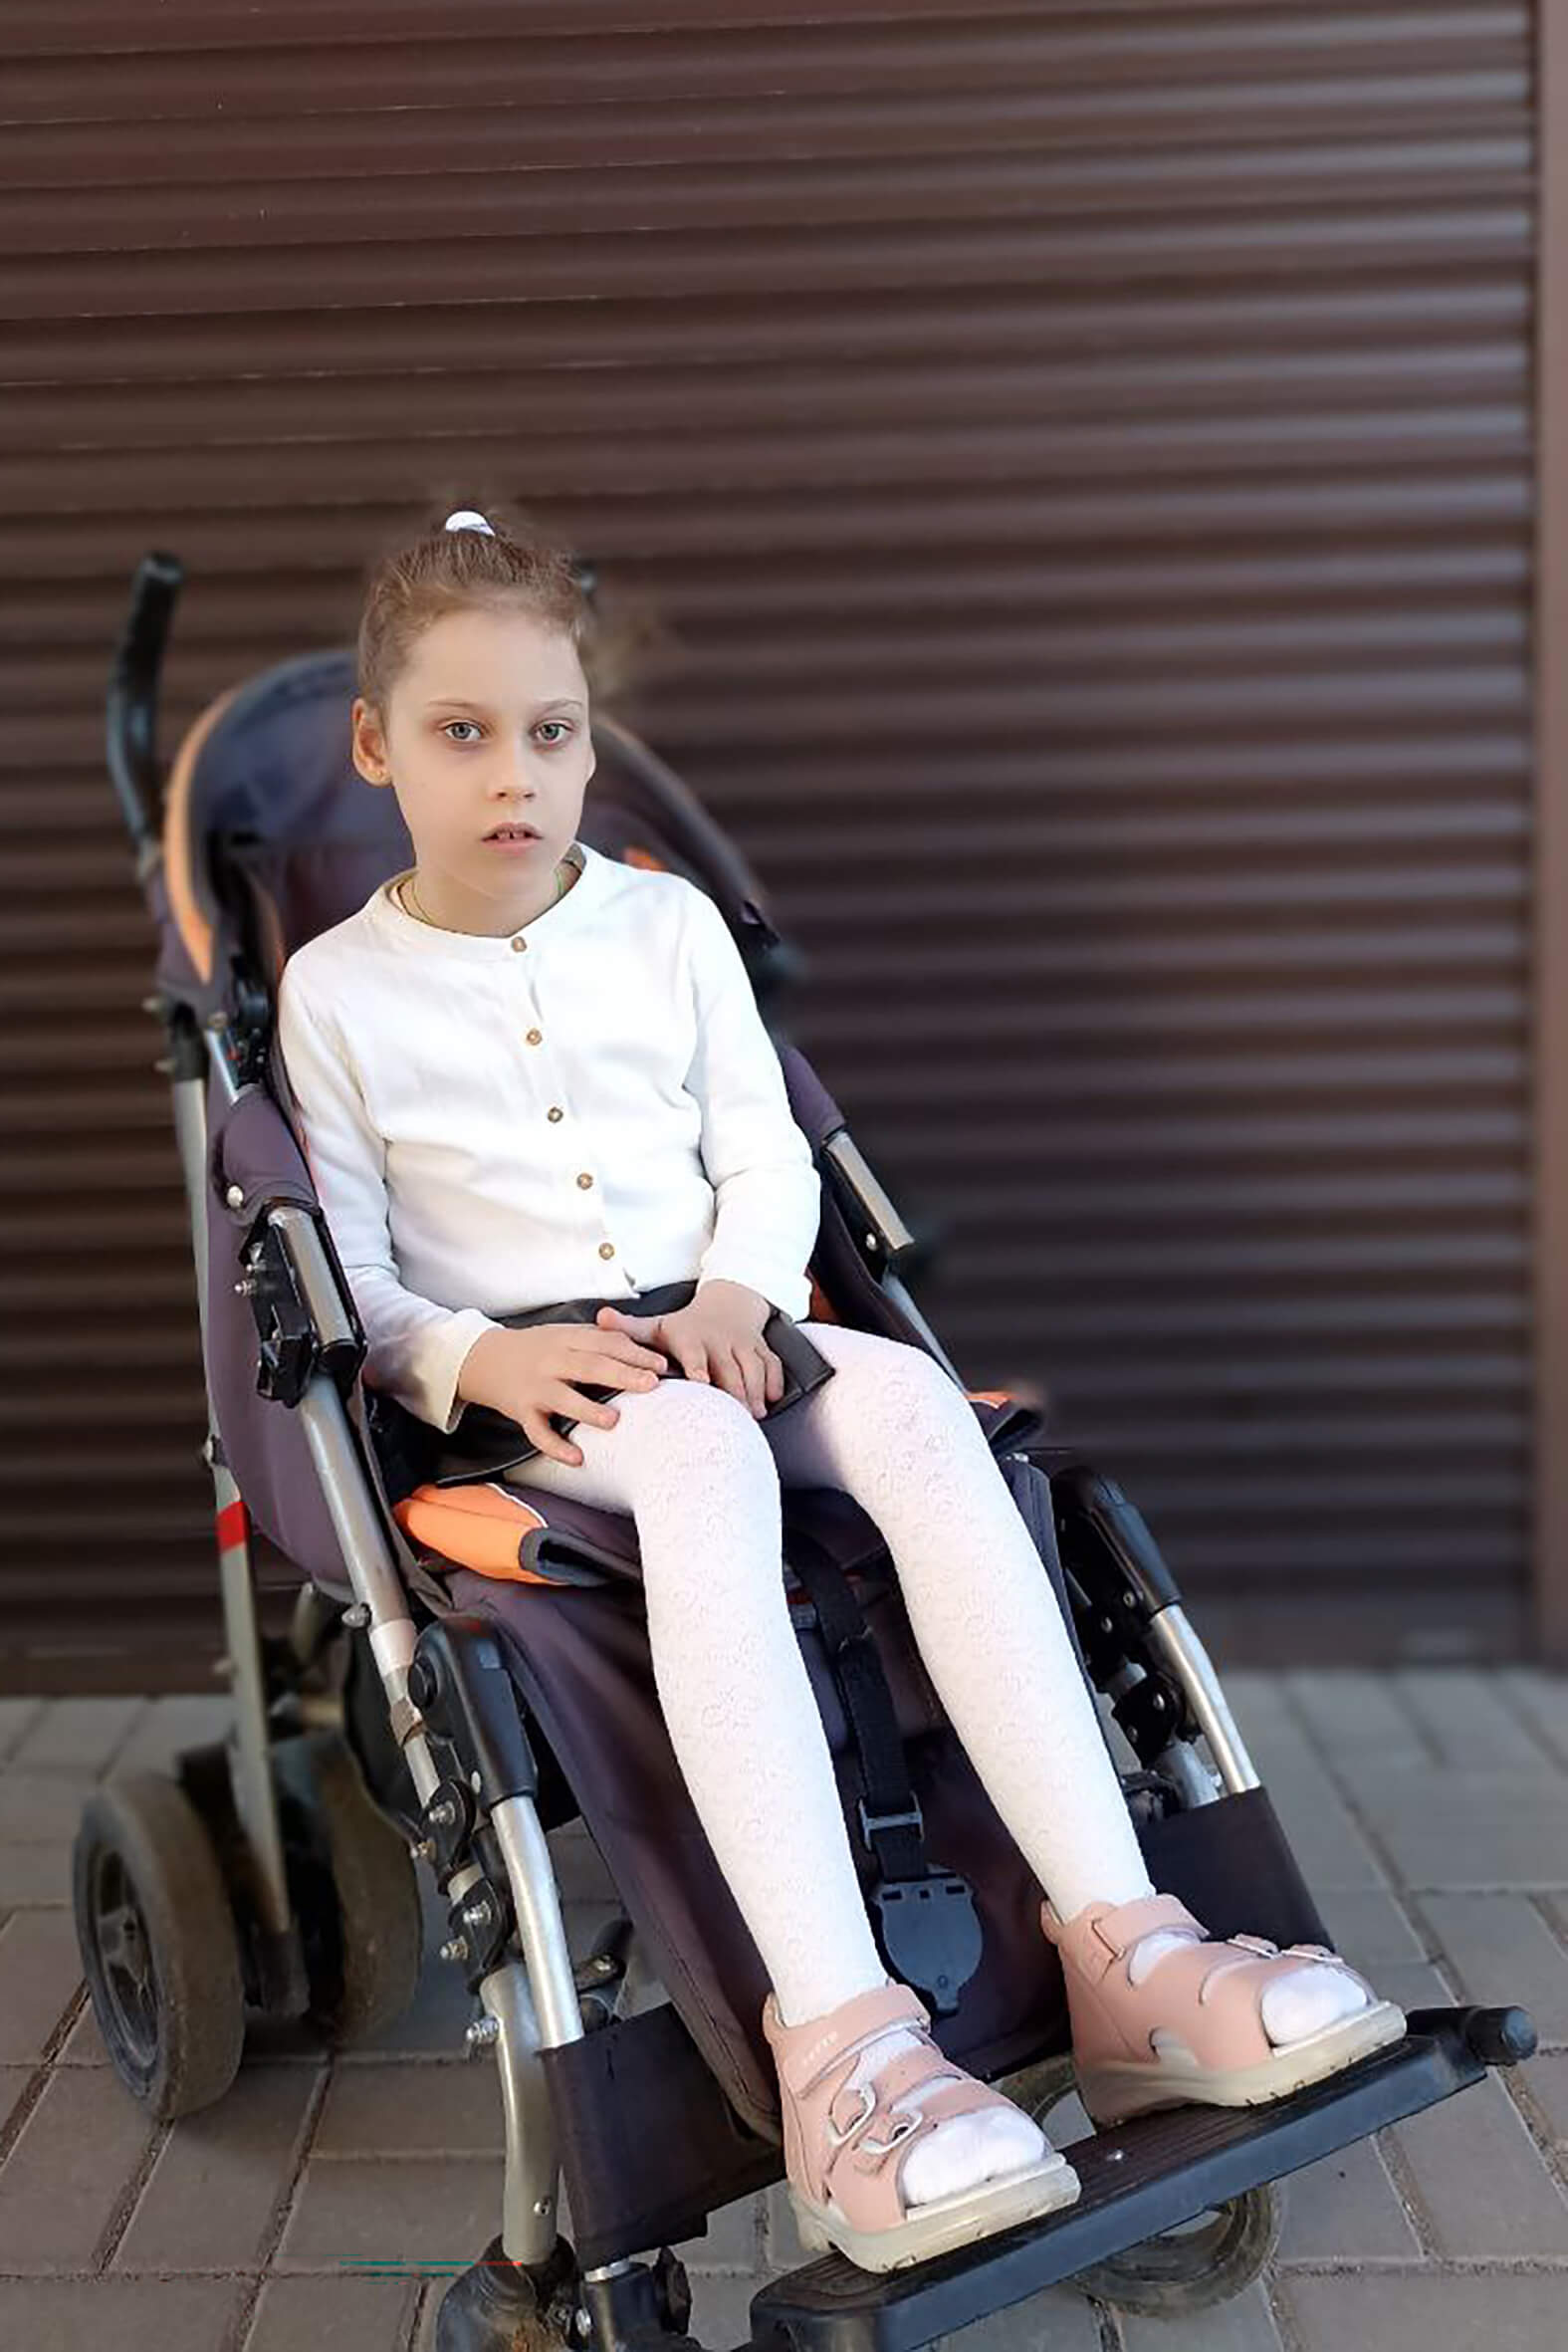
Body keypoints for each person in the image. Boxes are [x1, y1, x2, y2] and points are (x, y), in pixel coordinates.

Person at [275, 501, 1406, 2274]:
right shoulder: (335, 991)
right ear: (376, 749)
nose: (514, 774)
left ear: (592, 746)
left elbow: (765, 1152)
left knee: (916, 1418)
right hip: (538, 1389)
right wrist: (483, 1355)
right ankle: (841, 2044)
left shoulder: (666, 928)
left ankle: (1127, 1943)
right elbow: (353, 1274)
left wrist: (740, 1282)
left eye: (551, 732)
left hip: (727, 1315)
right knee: (702, 1459)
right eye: (462, 732)